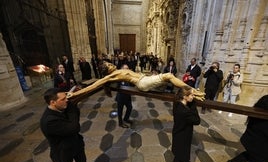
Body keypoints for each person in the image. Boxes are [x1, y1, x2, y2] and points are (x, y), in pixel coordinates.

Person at [40, 88, 106, 162]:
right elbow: (74, 127)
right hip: (62, 151)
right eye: (63, 99)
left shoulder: (62, 107)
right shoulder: (49, 121)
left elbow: (75, 116)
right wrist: (72, 106)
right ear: (53, 102)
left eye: (66, 97)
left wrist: (72, 105)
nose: (66, 100)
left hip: (75, 144)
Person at [67, 61, 205, 101]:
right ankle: (191, 90)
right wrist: (75, 94)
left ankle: (186, 94)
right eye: (109, 65)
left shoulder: (117, 70)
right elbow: (94, 85)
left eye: (110, 63)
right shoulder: (111, 76)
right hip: (142, 83)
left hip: (145, 79)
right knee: (169, 75)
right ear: (106, 71)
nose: (111, 65)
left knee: (169, 82)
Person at [226, 95, 268, 162]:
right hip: (256, 143)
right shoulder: (265, 118)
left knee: (251, 154)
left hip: (249, 140)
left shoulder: (257, 111)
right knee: (259, 160)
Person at [171, 86, 201, 162]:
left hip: (183, 131)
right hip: (181, 133)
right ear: (184, 96)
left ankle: (183, 160)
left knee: (185, 148)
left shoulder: (179, 103)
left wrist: (191, 102)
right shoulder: (183, 111)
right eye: (192, 95)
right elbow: (197, 121)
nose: (193, 97)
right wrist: (193, 104)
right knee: (180, 151)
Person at [115, 64, 133, 128]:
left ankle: (126, 119)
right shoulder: (119, 77)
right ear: (122, 69)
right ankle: (120, 123)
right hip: (121, 97)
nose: (127, 70)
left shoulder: (129, 76)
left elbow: (132, 85)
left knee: (130, 108)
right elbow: (116, 86)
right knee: (120, 111)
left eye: (128, 68)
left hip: (127, 96)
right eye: (126, 68)